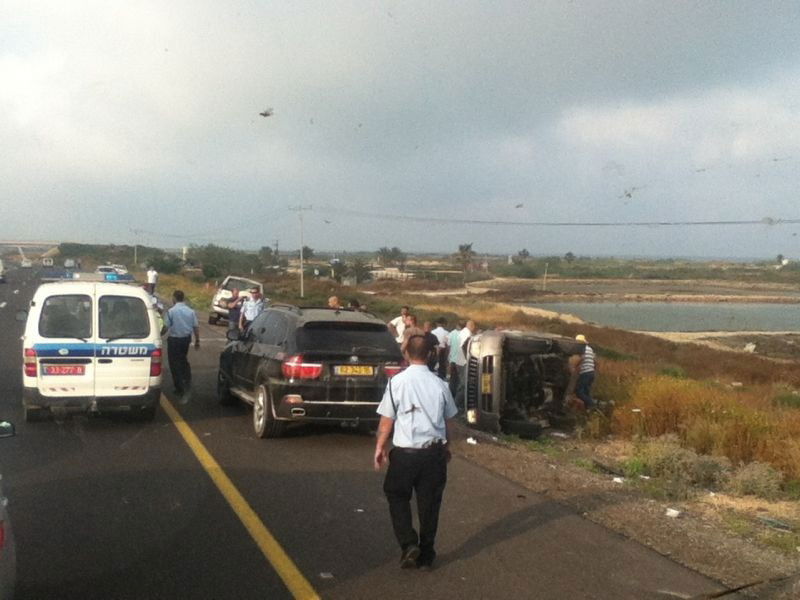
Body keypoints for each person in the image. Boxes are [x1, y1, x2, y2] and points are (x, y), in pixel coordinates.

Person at [374, 335, 458, 570]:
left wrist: (380, 446)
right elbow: (449, 421)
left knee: (397, 495)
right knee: (430, 504)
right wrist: (447, 447)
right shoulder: (441, 385)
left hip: (405, 454)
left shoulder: (397, 383)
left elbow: (387, 421)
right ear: (430, 354)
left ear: (407, 353)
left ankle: (408, 543)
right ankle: (427, 553)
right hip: (433, 453)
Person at [164, 290, 200, 404]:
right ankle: (186, 380)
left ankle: (180, 387)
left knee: (174, 364)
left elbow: (166, 327)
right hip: (185, 340)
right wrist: (197, 340)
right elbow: (195, 327)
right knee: (182, 360)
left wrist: (158, 334)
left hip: (174, 340)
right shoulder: (190, 311)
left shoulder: (171, 311)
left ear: (174, 298)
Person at [574, 334, 596, 410]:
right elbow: (594, 360)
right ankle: (588, 409)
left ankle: (592, 405)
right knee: (586, 392)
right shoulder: (590, 349)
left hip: (585, 373)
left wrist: (574, 367)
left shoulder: (581, 349)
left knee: (578, 392)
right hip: (591, 372)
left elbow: (581, 358)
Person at [447, 320, 466, 397]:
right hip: (461, 361)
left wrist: (448, 357)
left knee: (452, 379)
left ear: (457, 325)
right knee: (461, 380)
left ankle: (451, 395)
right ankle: (458, 397)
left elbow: (448, 346)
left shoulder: (451, 333)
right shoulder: (465, 334)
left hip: (453, 360)